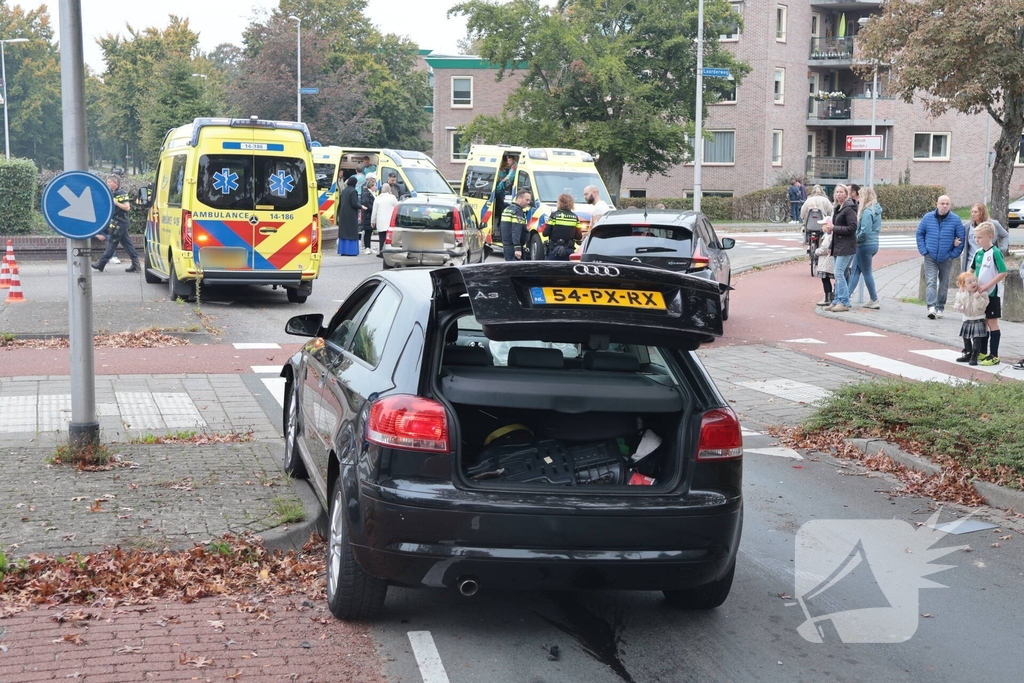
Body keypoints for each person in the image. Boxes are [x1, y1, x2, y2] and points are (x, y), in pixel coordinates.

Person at [916, 195, 964, 319]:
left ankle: (940, 307)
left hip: (946, 256)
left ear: (950, 205)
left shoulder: (955, 220)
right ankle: (931, 307)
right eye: (942, 203)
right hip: (930, 256)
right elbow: (920, 233)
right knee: (931, 281)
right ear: (937, 204)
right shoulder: (927, 218)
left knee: (944, 283)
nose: (944, 206)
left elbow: (961, 239)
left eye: (947, 204)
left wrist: (952, 254)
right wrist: (924, 250)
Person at [971, 221, 1007, 366]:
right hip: (980, 295)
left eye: (979, 237)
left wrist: (986, 286)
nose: (976, 240)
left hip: (992, 294)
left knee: (992, 322)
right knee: (983, 322)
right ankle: (983, 352)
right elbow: (971, 270)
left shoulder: (995, 252)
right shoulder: (978, 253)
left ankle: (994, 355)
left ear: (990, 237)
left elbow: (1003, 272)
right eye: (975, 237)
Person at [92, 175, 140, 273]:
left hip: (120, 222)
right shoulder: (112, 193)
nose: (107, 183)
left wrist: (115, 202)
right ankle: (136, 264)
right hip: (117, 222)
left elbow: (127, 207)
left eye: (109, 182)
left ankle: (101, 264)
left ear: (115, 183)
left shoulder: (121, 193)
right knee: (127, 244)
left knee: (112, 242)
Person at [822, 184, 858, 312]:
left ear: (846, 194)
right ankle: (837, 300)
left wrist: (834, 228)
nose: (838, 194)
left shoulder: (849, 209)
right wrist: (831, 246)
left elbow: (853, 227)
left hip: (847, 246)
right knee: (839, 274)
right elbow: (835, 230)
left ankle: (844, 301)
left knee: (839, 273)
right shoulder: (838, 208)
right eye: (836, 192)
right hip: (838, 245)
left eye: (841, 192)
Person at [847, 186, 882, 309]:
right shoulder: (876, 210)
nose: (859, 199)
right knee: (856, 271)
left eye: (861, 196)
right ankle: (847, 296)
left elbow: (865, 231)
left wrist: (854, 239)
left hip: (864, 244)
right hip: (873, 243)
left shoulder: (867, 212)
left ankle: (874, 299)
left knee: (865, 272)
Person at [953, 272, 990, 366]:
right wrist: (959, 306)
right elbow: (957, 302)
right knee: (966, 337)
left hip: (978, 318)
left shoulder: (982, 293)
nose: (973, 283)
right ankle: (968, 353)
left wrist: (978, 298)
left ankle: (974, 355)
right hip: (967, 318)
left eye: (974, 281)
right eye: (969, 282)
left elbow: (983, 306)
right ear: (963, 285)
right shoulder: (961, 294)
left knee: (977, 338)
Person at [961, 202, 1009, 274]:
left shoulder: (994, 224)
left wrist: (1002, 249)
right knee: (971, 283)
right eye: (972, 212)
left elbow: (1005, 235)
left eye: (976, 212)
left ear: (982, 213)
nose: (973, 214)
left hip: (988, 262)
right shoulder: (967, 226)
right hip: (971, 262)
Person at [542, 194, 582, 261]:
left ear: (560, 203)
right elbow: (579, 236)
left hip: (554, 249)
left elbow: (545, 233)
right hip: (568, 250)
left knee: (549, 270)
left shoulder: (554, 216)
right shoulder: (575, 217)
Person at [499, 189, 532, 261]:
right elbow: (516, 230)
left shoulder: (507, 209)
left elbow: (501, 228)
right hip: (513, 247)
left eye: (529, 200)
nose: (528, 202)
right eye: (527, 200)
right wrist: (517, 248)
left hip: (507, 246)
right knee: (515, 270)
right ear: (519, 198)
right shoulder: (518, 212)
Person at [370, 184, 398, 257]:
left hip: (381, 221)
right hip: (390, 221)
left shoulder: (378, 198)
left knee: (382, 237)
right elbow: (397, 207)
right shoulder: (392, 197)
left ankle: (381, 252)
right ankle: (390, 251)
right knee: (390, 238)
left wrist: (373, 221)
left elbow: (374, 211)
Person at [337, 175, 361, 256]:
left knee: (344, 232)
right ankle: (351, 251)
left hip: (343, 214)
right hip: (351, 215)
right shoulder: (353, 191)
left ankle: (343, 250)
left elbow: (340, 203)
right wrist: (361, 206)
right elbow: (354, 203)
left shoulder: (344, 191)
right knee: (351, 232)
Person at [814, 228, 836, 307]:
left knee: (825, 279)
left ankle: (828, 299)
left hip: (826, 262)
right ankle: (832, 297)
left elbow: (824, 249)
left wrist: (816, 251)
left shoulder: (827, 236)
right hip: (830, 261)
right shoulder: (831, 235)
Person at [359, 173, 377, 254]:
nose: (376, 187)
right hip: (367, 215)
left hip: (370, 215)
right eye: (375, 186)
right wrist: (373, 209)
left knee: (370, 232)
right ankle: (366, 247)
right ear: (371, 186)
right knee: (367, 231)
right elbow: (366, 203)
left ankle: (369, 246)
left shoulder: (372, 193)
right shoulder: (366, 193)